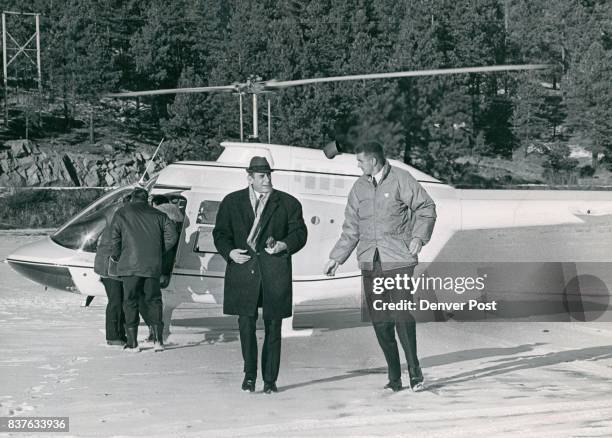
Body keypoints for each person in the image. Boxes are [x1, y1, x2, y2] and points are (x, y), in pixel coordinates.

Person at [324, 141, 436, 392]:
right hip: (370, 261)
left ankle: (415, 373)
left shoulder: (401, 179)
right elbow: (351, 228)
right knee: (380, 319)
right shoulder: (359, 187)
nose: (358, 165)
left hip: (397, 259)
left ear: (373, 161)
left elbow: (426, 208)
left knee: (400, 314)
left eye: (360, 161)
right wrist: (336, 257)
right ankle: (394, 377)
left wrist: (418, 237)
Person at [213, 156, 307, 394]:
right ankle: (249, 376)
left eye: (268, 175)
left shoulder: (287, 203)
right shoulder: (231, 202)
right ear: (250, 178)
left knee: (274, 328)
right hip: (243, 272)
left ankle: (270, 380)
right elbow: (220, 234)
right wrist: (230, 252)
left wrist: (283, 245)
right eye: (261, 176)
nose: (267, 179)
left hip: (275, 274)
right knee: (246, 327)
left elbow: (299, 233)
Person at [109, 187, 178, 352]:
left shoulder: (121, 213)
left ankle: (132, 342)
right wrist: (158, 251)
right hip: (152, 266)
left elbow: (115, 238)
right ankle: (158, 340)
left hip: (129, 267)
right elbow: (172, 236)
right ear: (147, 199)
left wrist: (118, 256)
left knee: (130, 301)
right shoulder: (159, 215)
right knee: (154, 300)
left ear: (133, 198)